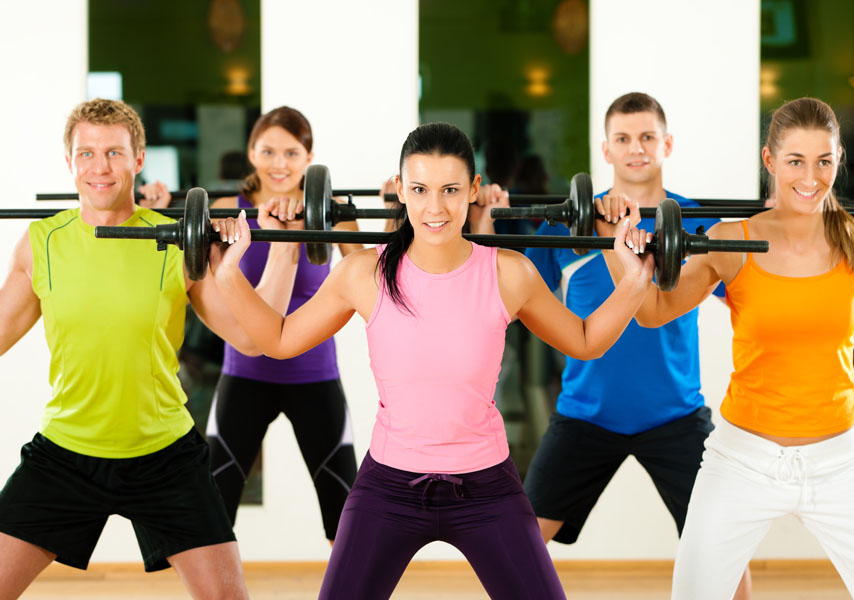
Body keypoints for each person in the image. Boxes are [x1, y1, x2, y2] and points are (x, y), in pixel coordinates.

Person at [209, 121, 654, 599]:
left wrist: (633, 282)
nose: (435, 207)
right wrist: (229, 272)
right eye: (419, 189)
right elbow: (278, 338)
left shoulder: (508, 273)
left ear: (474, 190)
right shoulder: (366, 273)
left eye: (450, 190)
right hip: (388, 488)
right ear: (401, 190)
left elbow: (584, 340)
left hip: (486, 487)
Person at [611, 97, 854, 599]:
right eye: (795, 161)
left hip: (838, 460)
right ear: (769, 160)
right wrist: (630, 267)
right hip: (743, 460)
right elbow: (652, 311)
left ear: (839, 160)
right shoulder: (731, 242)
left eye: (823, 161)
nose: (810, 177)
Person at [0, 99, 261, 598]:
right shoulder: (41, 243)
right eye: (87, 154)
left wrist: (229, 267)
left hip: (164, 453)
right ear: (70, 161)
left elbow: (250, 339)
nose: (100, 168)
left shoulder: (177, 242)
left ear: (139, 159)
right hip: (67, 452)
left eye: (115, 153)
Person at [518, 91, 750, 597]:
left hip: (675, 415)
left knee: (723, 549)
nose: (636, 148)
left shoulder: (697, 223)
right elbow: (512, 290)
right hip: (585, 413)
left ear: (667, 143)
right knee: (519, 546)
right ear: (606, 150)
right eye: (623, 138)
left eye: (647, 137)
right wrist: (480, 220)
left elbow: (750, 297)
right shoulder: (569, 223)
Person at [203, 106, 361, 541]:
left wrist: (395, 212)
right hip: (245, 375)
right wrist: (156, 209)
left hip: (315, 375)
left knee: (346, 518)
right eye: (268, 151)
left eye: (291, 153)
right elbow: (205, 288)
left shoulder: (333, 212)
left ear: (309, 157)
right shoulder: (223, 212)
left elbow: (375, 279)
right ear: (252, 152)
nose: (279, 163)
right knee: (212, 517)